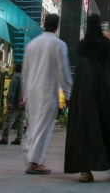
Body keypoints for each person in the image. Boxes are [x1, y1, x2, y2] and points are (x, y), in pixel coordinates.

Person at [64, 14, 110, 183]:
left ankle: (85, 171)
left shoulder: (82, 45)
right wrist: (109, 39)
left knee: (85, 130)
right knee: (107, 128)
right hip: (102, 92)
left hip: (83, 93)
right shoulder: (105, 44)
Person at [23, 14, 73, 175]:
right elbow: (63, 71)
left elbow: (25, 71)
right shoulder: (59, 44)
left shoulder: (32, 44)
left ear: (44, 24)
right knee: (43, 127)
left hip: (32, 91)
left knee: (34, 125)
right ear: (57, 27)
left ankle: (34, 157)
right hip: (47, 91)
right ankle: (35, 162)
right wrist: (67, 94)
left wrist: (24, 95)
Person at [0, 63, 25, 145]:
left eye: (14, 66)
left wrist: (9, 102)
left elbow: (12, 91)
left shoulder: (16, 77)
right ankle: (19, 139)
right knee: (20, 122)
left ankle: (4, 138)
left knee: (8, 121)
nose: (13, 67)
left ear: (16, 68)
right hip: (23, 104)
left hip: (15, 103)